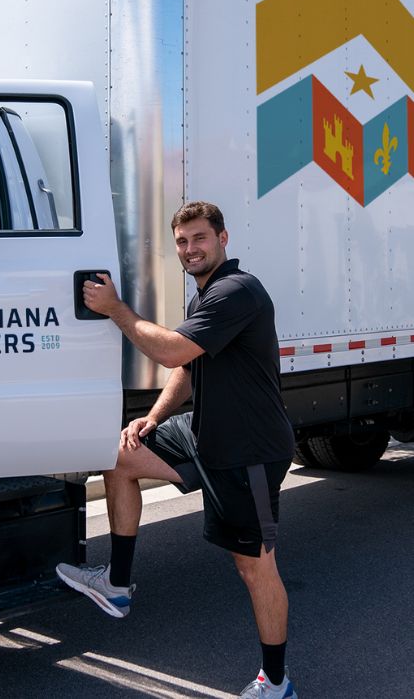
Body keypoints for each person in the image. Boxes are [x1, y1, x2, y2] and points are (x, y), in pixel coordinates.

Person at [56, 201, 298, 699]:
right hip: (205, 432)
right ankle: (117, 587)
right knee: (119, 451)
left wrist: (115, 308)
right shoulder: (204, 296)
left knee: (255, 566)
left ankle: (276, 682)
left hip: (247, 451)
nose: (190, 250)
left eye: (199, 238)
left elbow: (168, 351)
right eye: (182, 242)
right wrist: (154, 418)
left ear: (223, 238)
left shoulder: (236, 291)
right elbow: (186, 368)